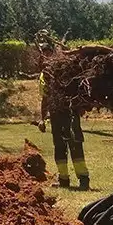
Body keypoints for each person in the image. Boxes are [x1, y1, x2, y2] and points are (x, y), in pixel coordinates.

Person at [37, 45, 90, 190]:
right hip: (55, 115)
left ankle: (83, 179)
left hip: (70, 112)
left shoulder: (65, 70)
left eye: (48, 53)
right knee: (59, 147)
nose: (45, 56)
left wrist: (80, 107)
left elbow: (78, 89)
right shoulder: (44, 75)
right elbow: (45, 98)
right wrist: (42, 118)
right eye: (43, 53)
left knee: (75, 144)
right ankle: (63, 179)